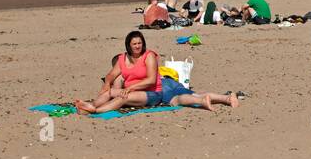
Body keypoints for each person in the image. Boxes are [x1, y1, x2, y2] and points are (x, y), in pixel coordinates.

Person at [75, 30, 238, 114]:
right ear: (128, 45)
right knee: (110, 92)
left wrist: (129, 88)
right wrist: (107, 83)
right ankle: (91, 106)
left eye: (139, 43)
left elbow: (151, 80)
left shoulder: (149, 56)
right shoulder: (123, 59)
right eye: (134, 44)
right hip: (151, 88)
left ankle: (96, 110)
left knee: (123, 97)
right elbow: (111, 75)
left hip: (155, 90)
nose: (137, 46)